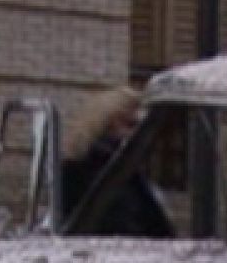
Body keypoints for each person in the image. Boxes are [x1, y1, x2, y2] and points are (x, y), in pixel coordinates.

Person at [60, 86, 173, 238]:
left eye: (140, 127)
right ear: (105, 123)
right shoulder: (80, 171)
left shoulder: (128, 170)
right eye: (130, 124)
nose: (135, 134)